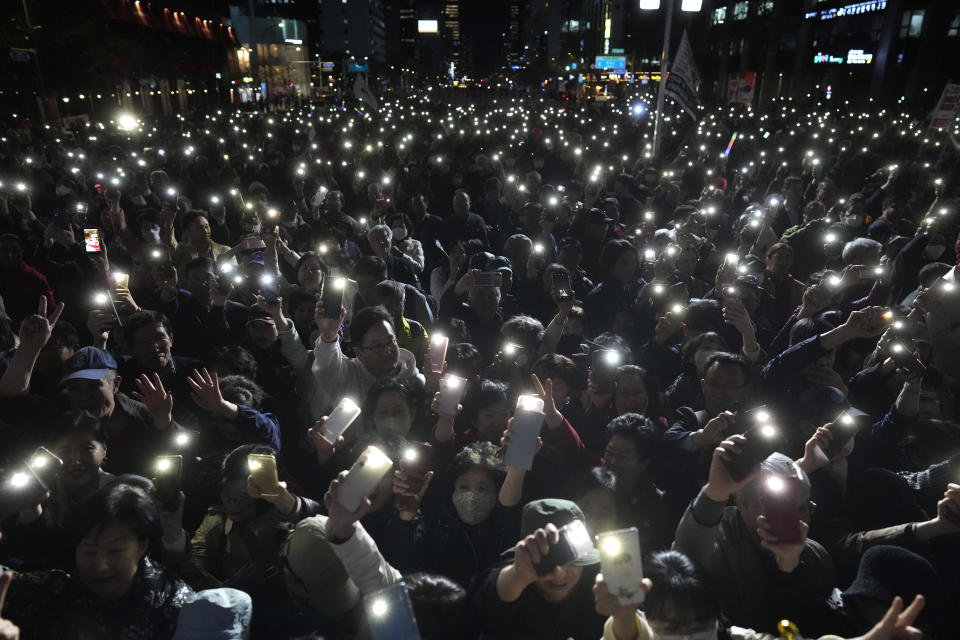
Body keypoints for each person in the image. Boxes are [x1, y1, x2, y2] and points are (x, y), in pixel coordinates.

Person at [2, 480, 194, 639]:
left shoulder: (178, 606)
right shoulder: (61, 589)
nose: (100, 566)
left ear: (142, 547)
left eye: (115, 551)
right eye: (89, 552)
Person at [473, 498, 606, 640]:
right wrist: (518, 576)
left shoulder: (597, 590)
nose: (558, 573)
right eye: (549, 561)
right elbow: (485, 598)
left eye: (570, 558)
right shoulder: (517, 575)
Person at [312, 305, 425, 409]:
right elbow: (327, 368)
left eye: (391, 341)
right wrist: (329, 336)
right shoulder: (349, 377)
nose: (387, 351)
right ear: (359, 352)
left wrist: (433, 387)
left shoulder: (414, 381)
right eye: (376, 346)